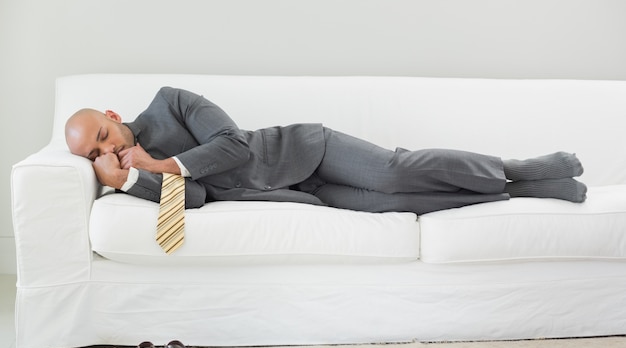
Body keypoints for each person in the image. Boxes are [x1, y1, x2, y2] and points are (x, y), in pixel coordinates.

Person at [65, 87, 587, 215]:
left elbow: (232, 144)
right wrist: (128, 182)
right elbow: (196, 197)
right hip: (300, 192)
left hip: (306, 151)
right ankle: (526, 192)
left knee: (391, 175)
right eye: (93, 155)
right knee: (398, 203)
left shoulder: (170, 103)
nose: (105, 151)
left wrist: (155, 163)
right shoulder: (130, 175)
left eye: (103, 137)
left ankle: (516, 167)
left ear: (113, 118)